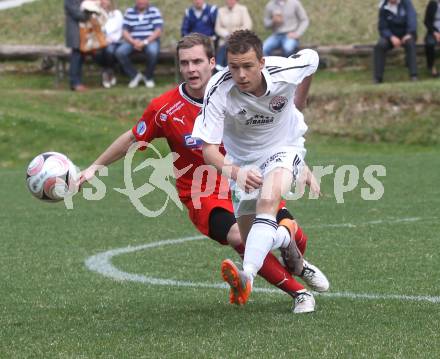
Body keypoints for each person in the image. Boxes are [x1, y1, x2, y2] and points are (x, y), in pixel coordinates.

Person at [80, 33, 328, 314]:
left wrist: (296, 160)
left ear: (212, 62)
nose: (191, 69)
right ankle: (298, 293)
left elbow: (274, 130)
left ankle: (296, 259)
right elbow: (133, 138)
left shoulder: (240, 87)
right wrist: (94, 167)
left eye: (197, 61)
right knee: (240, 237)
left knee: (295, 236)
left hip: (251, 174)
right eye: (184, 63)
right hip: (204, 192)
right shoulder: (165, 108)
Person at [192, 30, 328, 313]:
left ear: (263, 62)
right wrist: (236, 172)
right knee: (248, 236)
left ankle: (246, 276)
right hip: (243, 161)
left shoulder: (285, 70)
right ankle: (285, 240)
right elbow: (208, 150)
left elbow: (311, 61)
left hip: (284, 147)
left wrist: (298, 107)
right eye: (234, 66)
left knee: (269, 201)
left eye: (248, 66)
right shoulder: (218, 88)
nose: (240, 74)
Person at [115, 0, 163, 88]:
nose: (141, 2)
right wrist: (133, 41)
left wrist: (144, 42)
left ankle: (148, 77)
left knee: (153, 52)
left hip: (150, 41)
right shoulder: (129, 12)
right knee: (120, 52)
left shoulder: (154, 11)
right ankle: (135, 76)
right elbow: (124, 31)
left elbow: (158, 31)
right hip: (132, 41)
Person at [373, 0, 418, 83]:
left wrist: (409, 33)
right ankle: (377, 78)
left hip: (406, 34)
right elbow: (382, 27)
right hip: (391, 36)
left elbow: (412, 18)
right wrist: (391, 37)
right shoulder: (383, 7)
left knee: (410, 43)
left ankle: (413, 75)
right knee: (380, 46)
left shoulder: (406, 3)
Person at [214, 0, 252, 71]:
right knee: (226, 45)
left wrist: (235, 34)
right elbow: (217, 28)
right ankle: (223, 67)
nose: (230, 1)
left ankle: (220, 65)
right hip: (225, 38)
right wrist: (226, 34)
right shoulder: (220, 11)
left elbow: (247, 25)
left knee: (229, 45)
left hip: (239, 38)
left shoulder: (243, 9)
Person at [95, 0, 123, 88]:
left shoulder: (116, 13)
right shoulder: (96, 13)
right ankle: (108, 72)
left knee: (109, 51)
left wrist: (104, 35)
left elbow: (113, 28)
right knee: (96, 53)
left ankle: (107, 73)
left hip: (114, 41)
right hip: (99, 41)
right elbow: (94, 27)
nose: (103, 1)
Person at [64, 0, 91, 91]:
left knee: (80, 57)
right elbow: (79, 15)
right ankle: (74, 83)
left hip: (82, 33)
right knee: (76, 57)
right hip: (75, 33)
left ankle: (78, 82)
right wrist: (90, 13)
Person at [424, 0, 440, 77]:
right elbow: (426, 21)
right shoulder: (432, 3)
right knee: (429, 43)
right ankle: (432, 67)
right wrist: (435, 32)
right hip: (434, 30)